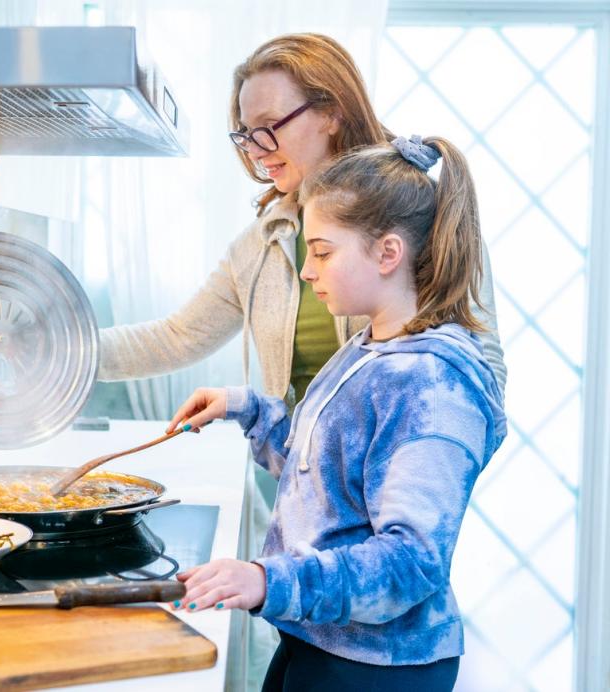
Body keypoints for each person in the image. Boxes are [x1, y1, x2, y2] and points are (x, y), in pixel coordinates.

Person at [164, 135, 508, 691]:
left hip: (378, 668)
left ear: (387, 253)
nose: (306, 270)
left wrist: (265, 582)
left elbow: (411, 562)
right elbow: (324, 474)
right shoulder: (369, 347)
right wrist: (244, 407)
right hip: (323, 638)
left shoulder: (432, 384)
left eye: (322, 252)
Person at [98, 33, 506, 408]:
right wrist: (60, 350)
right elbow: (176, 337)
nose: (255, 150)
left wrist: (432, 468)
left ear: (331, 114)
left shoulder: (419, 217)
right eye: (245, 132)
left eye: (268, 127)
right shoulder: (260, 244)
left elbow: (483, 369)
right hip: (300, 483)